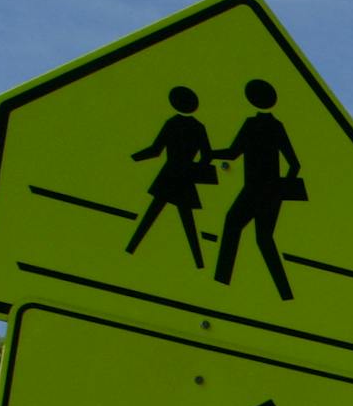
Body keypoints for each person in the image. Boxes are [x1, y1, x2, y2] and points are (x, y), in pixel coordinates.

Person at [211, 78, 302, 300]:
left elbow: (233, 153)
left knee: (232, 224)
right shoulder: (277, 126)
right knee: (263, 238)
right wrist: (281, 188)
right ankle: (286, 294)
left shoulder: (252, 125)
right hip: (272, 193)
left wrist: (209, 154)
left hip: (253, 189)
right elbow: (294, 164)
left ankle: (221, 281)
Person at [124, 86, 214, 267]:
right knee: (187, 221)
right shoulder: (198, 127)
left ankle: (130, 249)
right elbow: (207, 155)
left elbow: (155, 150)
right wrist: (195, 168)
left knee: (152, 214)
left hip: (170, 174)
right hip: (185, 176)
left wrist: (131, 159)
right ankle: (199, 263)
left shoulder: (173, 123)